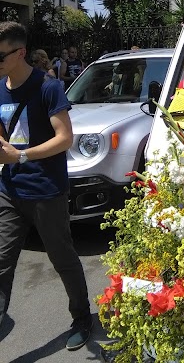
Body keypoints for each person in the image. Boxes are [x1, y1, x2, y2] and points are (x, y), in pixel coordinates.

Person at [0, 22, 92, 350]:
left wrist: (20, 156)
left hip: (47, 190)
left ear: (20, 52)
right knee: (2, 260)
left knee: (62, 258)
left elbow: (64, 139)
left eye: (1, 55)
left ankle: (82, 317)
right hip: (10, 189)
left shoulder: (48, 88)